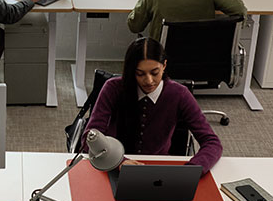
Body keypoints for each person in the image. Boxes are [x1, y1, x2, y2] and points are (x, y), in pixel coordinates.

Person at [82, 37, 222, 174]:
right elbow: (90, 137)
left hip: (159, 168)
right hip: (112, 165)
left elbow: (212, 142)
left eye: (155, 73)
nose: (149, 81)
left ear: (164, 66)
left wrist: (191, 170)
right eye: (140, 73)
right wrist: (119, 162)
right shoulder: (113, 88)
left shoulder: (179, 94)